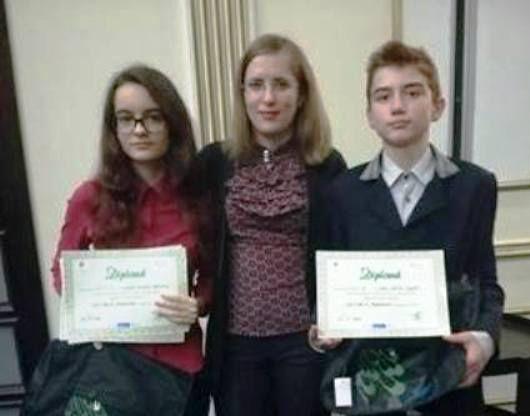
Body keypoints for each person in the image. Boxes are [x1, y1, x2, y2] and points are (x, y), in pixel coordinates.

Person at [310, 40, 505, 415]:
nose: (397, 106)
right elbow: (327, 286)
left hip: (446, 374)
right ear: (369, 115)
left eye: (412, 92)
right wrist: (322, 326)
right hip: (369, 381)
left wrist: (485, 339)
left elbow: (486, 280)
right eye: (383, 96)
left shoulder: (474, 186)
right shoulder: (341, 193)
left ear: (438, 105)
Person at [184, 33, 346, 416]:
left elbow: (343, 249)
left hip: (305, 341)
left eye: (281, 84)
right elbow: (188, 239)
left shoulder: (327, 164)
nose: (268, 98)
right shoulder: (213, 162)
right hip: (235, 344)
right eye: (256, 85)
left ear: (301, 95)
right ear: (242, 94)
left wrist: (340, 318)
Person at [50, 64, 212, 415]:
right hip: (113, 370)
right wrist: (92, 304)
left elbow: (214, 273)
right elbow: (62, 273)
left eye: (153, 117)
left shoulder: (198, 196)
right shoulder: (89, 198)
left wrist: (198, 303)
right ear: (114, 129)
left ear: (172, 124)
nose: (139, 130)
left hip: (181, 368)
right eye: (126, 119)